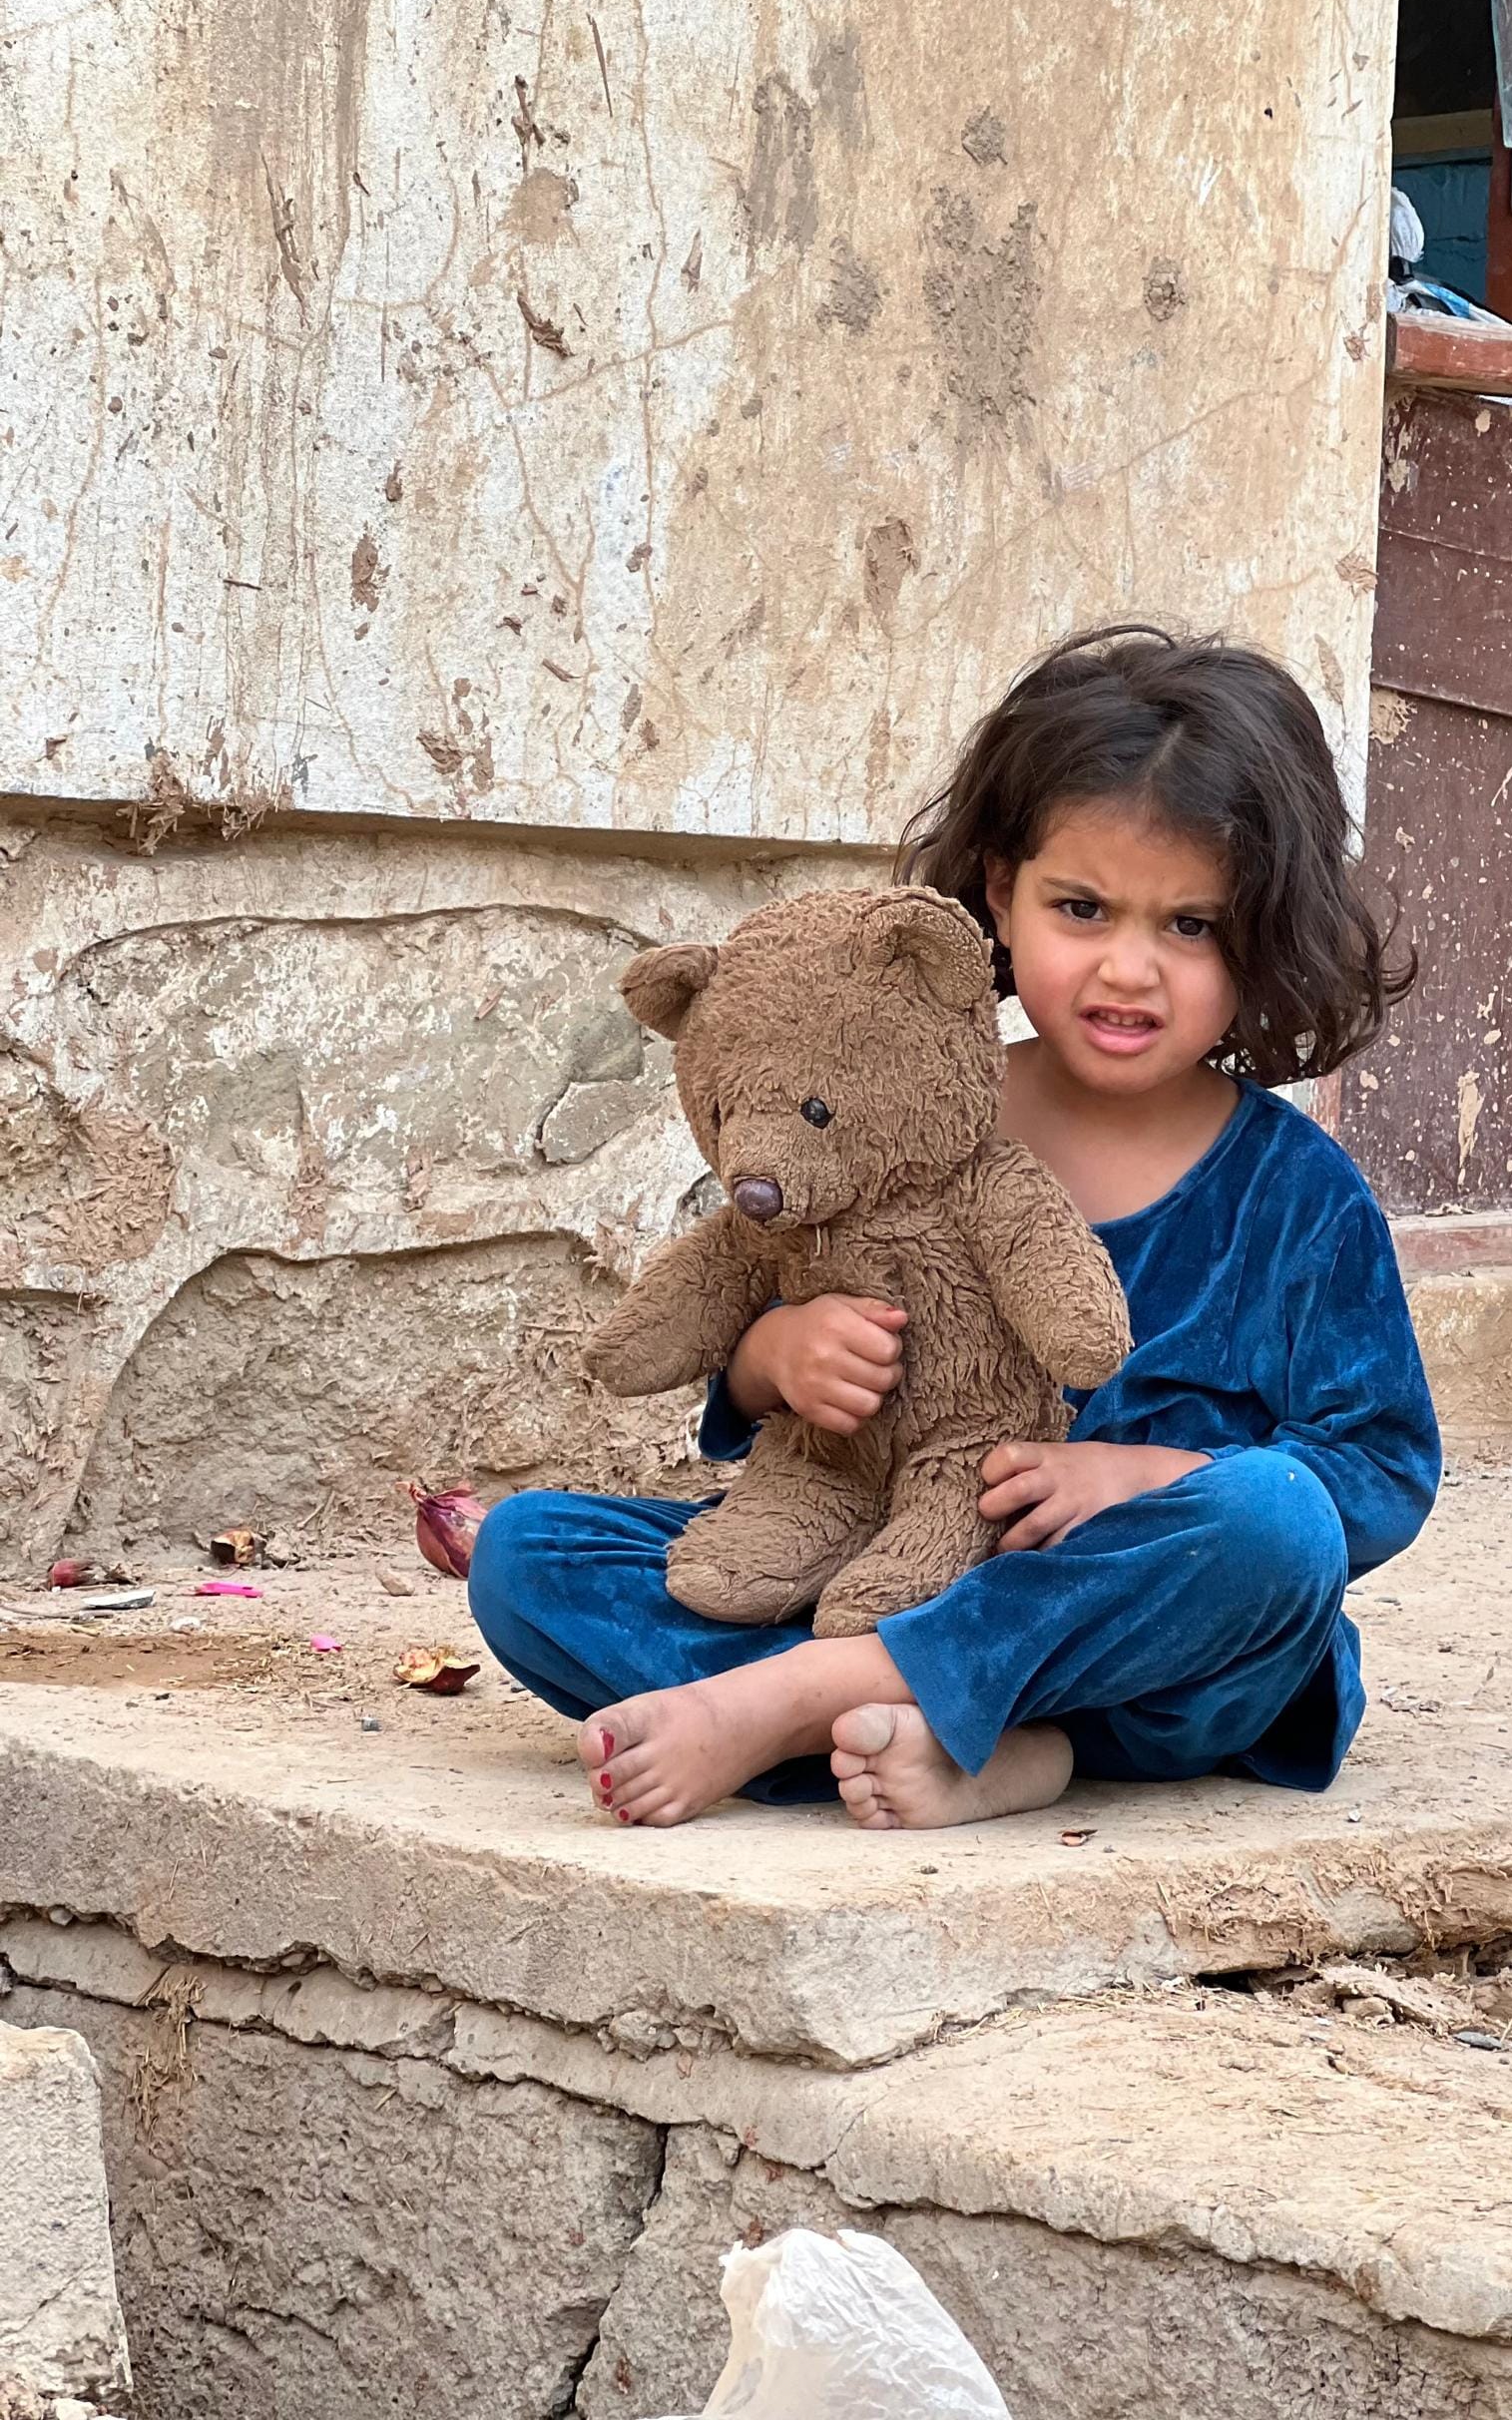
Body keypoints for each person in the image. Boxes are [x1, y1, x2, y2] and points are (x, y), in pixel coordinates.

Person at [467, 626, 1440, 1830]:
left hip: (1151, 1662)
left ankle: (797, 1707)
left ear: (1263, 929)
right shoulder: (895, 1127)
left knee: (1276, 1525)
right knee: (527, 1557)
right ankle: (966, 1737)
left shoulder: (1298, 1197)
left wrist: (1150, 1475)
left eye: (1190, 925)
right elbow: (748, 1358)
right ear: (997, 892)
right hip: (875, 1566)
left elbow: (1381, 1470)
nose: (1128, 969)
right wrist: (774, 1360)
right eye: (1081, 908)